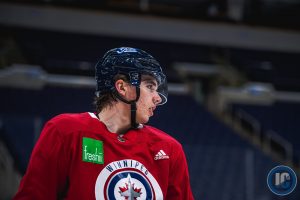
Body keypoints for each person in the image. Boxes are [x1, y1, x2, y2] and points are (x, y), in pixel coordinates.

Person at [14, 47, 194, 200]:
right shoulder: (66, 131)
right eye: (149, 86)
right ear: (122, 87)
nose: (157, 98)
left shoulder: (169, 149)